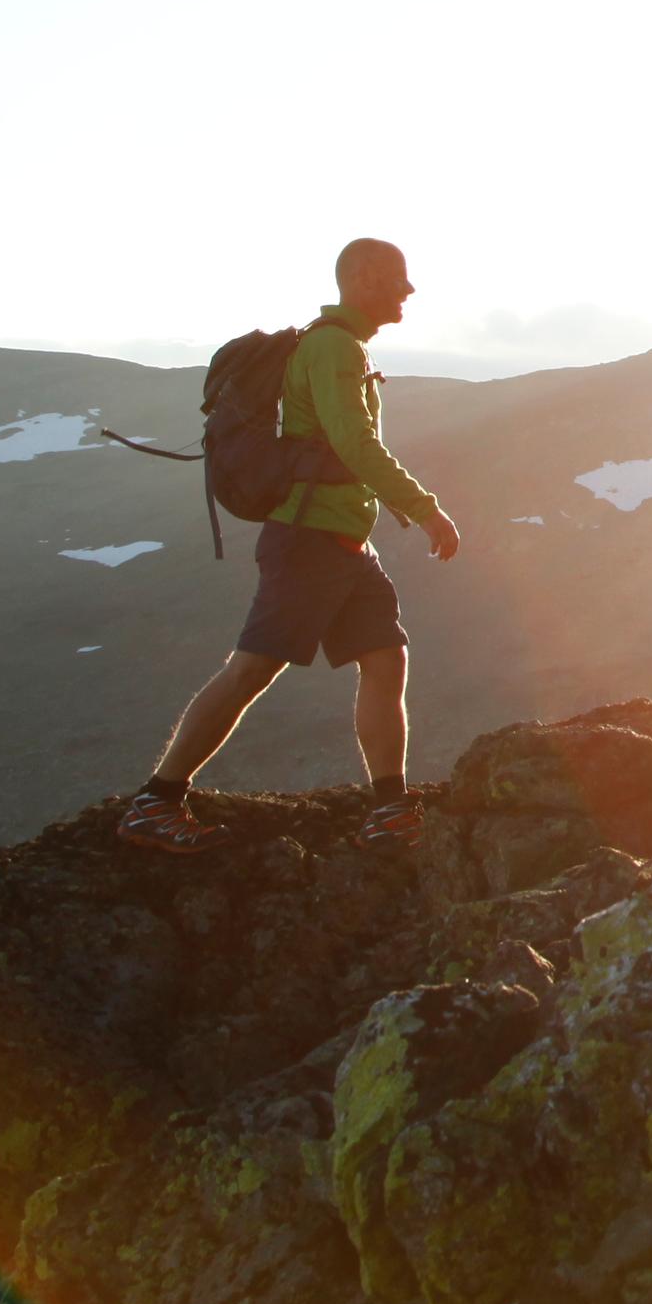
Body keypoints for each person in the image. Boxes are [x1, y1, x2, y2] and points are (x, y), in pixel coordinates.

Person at [119, 237, 465, 852]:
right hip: (310, 539)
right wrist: (426, 509)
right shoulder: (333, 348)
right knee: (253, 667)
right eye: (397, 278)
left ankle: (390, 809)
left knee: (386, 657)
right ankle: (157, 801)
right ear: (362, 278)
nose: (408, 291)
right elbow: (355, 445)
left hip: (343, 538)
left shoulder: (341, 345)